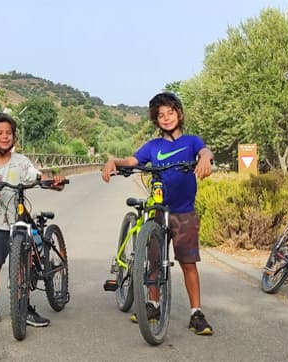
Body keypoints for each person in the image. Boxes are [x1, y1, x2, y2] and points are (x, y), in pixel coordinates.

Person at [101, 91, 214, 336]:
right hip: (157, 211)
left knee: (188, 264)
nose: (166, 118)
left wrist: (205, 159)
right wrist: (114, 161)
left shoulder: (192, 141)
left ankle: (196, 313)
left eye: (170, 113)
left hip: (183, 212)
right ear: (156, 120)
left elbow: (205, 152)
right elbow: (133, 160)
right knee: (153, 261)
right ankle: (152, 305)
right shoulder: (153, 146)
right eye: (160, 115)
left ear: (179, 114)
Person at [0, 112, 65, 327]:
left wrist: (54, 183)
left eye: (9, 133)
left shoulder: (21, 162)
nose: (5, 137)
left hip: (19, 222)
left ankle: (25, 306)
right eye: (0, 133)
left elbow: (37, 177)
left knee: (23, 265)